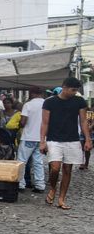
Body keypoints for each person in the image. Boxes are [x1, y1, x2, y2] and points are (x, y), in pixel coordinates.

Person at [40, 77, 92, 210]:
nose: (74, 92)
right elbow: (44, 123)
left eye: (76, 90)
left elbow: (83, 121)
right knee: (55, 168)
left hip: (73, 139)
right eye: (73, 90)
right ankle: (52, 188)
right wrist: (42, 141)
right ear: (64, 87)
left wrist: (87, 139)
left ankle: (61, 199)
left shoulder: (79, 101)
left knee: (68, 170)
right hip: (54, 139)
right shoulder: (49, 102)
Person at [17, 86, 46, 192]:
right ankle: (40, 185)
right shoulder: (47, 104)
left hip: (28, 137)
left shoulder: (28, 105)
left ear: (32, 93)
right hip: (42, 138)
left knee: (22, 161)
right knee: (38, 161)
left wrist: (19, 124)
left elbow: (23, 122)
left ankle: (21, 184)